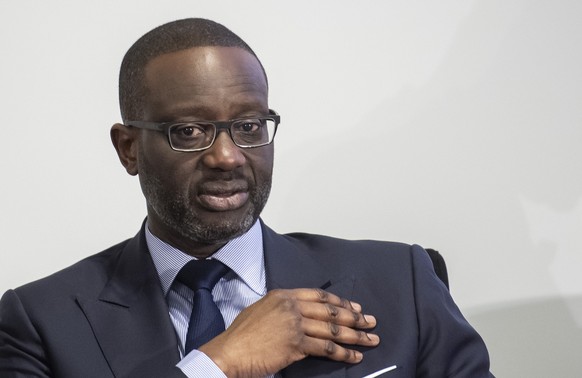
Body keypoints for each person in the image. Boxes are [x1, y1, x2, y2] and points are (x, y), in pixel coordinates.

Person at [0, 18, 493, 378]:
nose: (228, 156)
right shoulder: (42, 322)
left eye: (249, 126)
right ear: (129, 148)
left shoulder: (399, 280)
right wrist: (217, 363)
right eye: (189, 131)